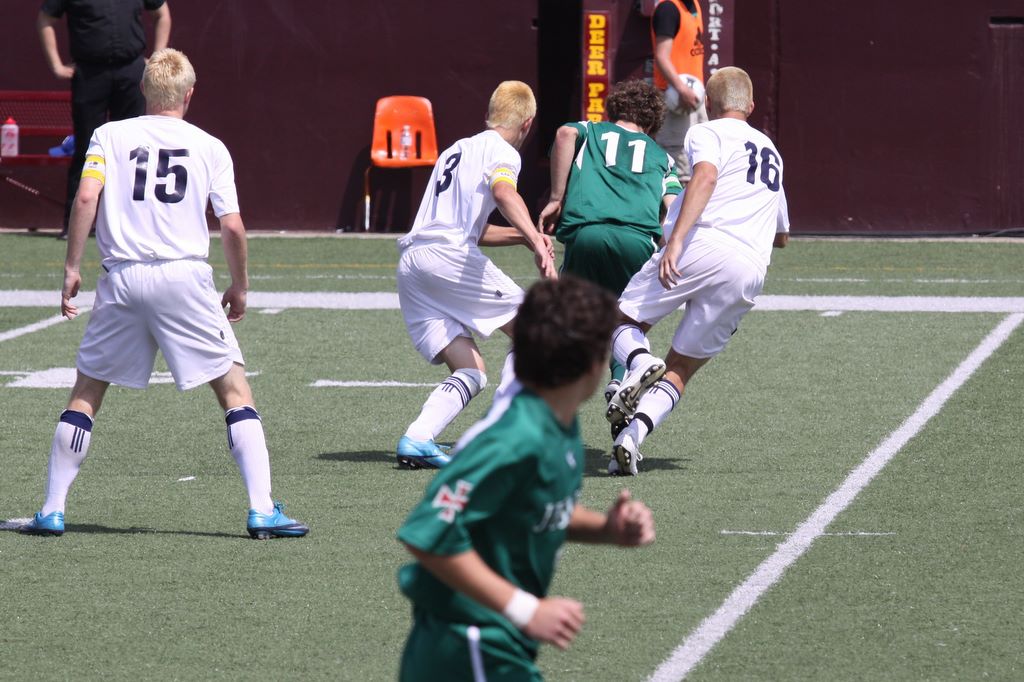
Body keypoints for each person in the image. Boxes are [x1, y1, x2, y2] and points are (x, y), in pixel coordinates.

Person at [20, 49, 307, 540]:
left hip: (122, 276)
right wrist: (240, 285)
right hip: (184, 277)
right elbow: (232, 226)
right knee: (234, 391)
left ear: (143, 91)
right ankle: (262, 509)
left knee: (87, 393)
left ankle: (51, 509)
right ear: (189, 94)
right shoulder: (210, 146)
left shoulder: (109, 135)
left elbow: (86, 197)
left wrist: (71, 267)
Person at [396, 276, 656, 681]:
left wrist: (606, 528)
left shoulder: (558, 421)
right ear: (595, 365)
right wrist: (527, 609)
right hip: (468, 644)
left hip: (497, 642)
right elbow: (428, 534)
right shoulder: (512, 440)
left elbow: (532, 508)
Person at [605, 66, 791, 476]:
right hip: (748, 267)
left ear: (708, 103)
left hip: (702, 242)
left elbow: (705, 176)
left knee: (621, 320)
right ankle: (631, 438)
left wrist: (675, 240)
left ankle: (638, 362)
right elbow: (782, 236)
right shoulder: (772, 153)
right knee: (681, 368)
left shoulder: (707, 131)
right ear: (751, 105)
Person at [394, 80, 556, 469]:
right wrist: (537, 241)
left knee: (472, 370)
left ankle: (417, 438)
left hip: (413, 264)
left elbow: (474, 229)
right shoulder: (504, 152)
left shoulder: (456, 149)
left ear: (490, 113)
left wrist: (524, 236)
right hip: (447, 258)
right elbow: (504, 193)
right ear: (528, 123)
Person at [538, 79, 681, 413]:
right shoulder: (662, 157)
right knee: (627, 317)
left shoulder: (591, 130)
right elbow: (673, 205)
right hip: (637, 240)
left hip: (587, 232)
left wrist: (557, 197)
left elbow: (564, 134)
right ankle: (621, 379)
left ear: (613, 110)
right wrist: (672, 244)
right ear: (652, 124)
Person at [37, 0, 172, 240]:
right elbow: (45, 19)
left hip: (130, 72)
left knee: (134, 149)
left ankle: (132, 223)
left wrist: (156, 58)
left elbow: (162, 14)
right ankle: (75, 225)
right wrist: (56, 65)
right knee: (86, 147)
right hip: (90, 74)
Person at [650, 0, 707, 181]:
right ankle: (674, 201)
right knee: (677, 168)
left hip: (694, 97)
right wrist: (681, 89)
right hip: (674, 98)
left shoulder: (694, 5)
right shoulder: (668, 8)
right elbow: (661, 56)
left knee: (700, 156)